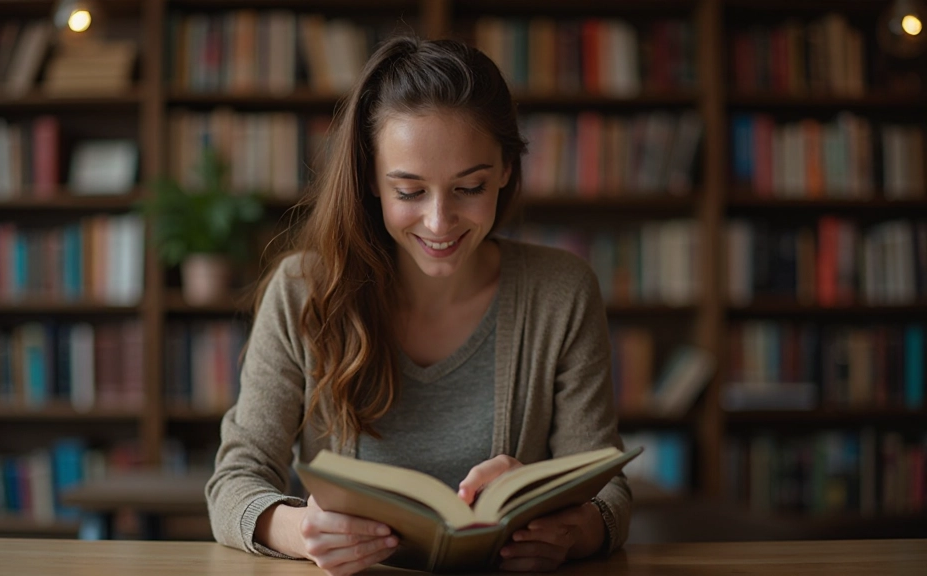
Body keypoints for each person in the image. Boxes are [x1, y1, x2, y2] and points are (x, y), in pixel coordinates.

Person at [206, 36, 631, 575]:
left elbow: (607, 487)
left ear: (505, 168)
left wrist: (575, 532)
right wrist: (297, 530)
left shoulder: (561, 291)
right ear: (370, 182)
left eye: (469, 186)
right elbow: (234, 481)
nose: (439, 222)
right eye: (409, 191)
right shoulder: (303, 292)